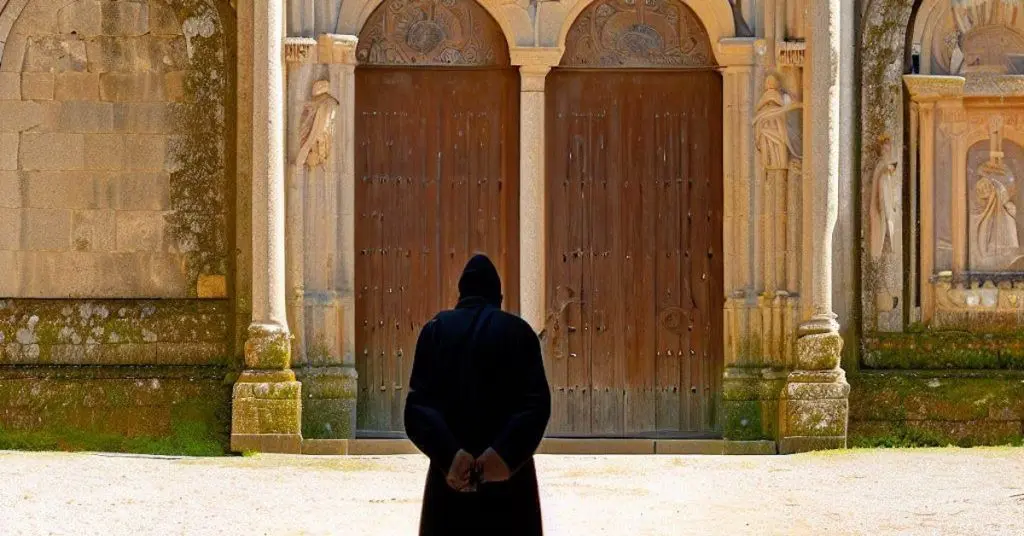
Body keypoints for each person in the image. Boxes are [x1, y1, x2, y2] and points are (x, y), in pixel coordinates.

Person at [405, 254, 552, 536]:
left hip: (450, 489)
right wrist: (503, 457)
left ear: (461, 293)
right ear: (499, 296)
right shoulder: (519, 333)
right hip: (510, 492)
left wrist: (451, 456)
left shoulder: (435, 332)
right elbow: (536, 405)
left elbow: (417, 408)